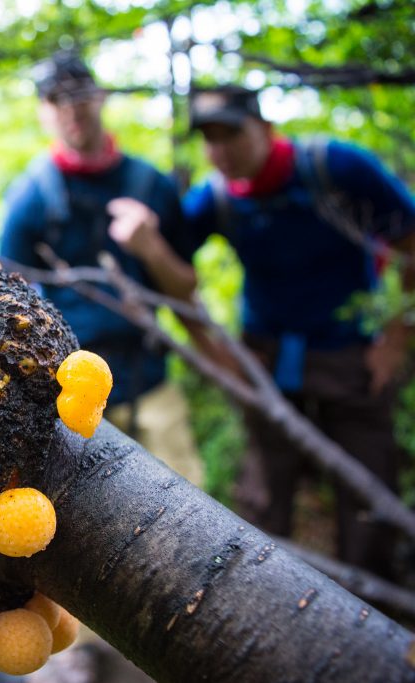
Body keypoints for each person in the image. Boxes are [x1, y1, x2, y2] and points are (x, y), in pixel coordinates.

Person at [174, 86, 415, 579]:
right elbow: (168, 273)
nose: (219, 151)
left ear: (263, 128)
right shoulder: (214, 199)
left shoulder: (337, 169)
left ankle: (369, 612)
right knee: (264, 495)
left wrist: (397, 337)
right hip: (266, 361)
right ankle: (266, 598)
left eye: (231, 134)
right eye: (209, 139)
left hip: (352, 356)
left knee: (368, 493)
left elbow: (412, 243)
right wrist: (217, 356)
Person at [0, 49, 203, 485]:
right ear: (43, 112)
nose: (71, 107)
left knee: (191, 507)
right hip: (70, 397)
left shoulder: (152, 186)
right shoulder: (30, 198)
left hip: (150, 382)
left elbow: (186, 289)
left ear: (100, 96)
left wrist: (152, 249)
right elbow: (5, 301)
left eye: (79, 94)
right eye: (56, 99)